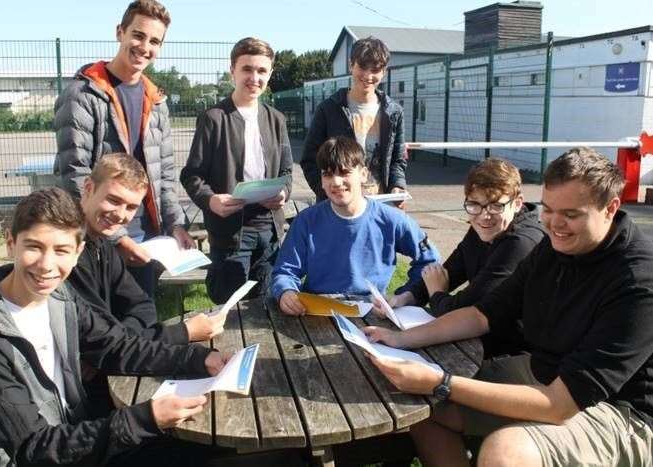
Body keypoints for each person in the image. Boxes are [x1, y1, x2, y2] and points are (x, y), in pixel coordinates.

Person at [364, 147, 653, 466]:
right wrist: (399, 340)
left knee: (506, 451)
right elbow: (481, 314)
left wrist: (441, 382)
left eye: (571, 214)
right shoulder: (555, 246)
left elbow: (559, 405)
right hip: (546, 374)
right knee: (422, 407)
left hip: (622, 412)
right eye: (548, 209)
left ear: (611, 208)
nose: (555, 224)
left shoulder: (638, 281)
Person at [0, 188, 228, 466]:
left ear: (78, 252)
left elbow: (117, 346)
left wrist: (198, 358)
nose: (46, 265)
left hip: (72, 437)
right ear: (10, 243)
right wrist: (146, 418)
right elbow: (32, 448)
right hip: (23, 458)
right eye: (34, 247)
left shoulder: (59, 296)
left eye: (61, 250)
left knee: (203, 449)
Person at [54, 0, 196, 297]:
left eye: (155, 41)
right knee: (99, 332)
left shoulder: (156, 101)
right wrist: (118, 238)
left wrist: (176, 224)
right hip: (98, 237)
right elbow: (74, 175)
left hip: (146, 239)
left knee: (141, 326)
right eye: (138, 35)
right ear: (120, 32)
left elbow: (165, 174)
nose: (145, 46)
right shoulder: (82, 95)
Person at [374, 158, 545, 358]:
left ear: (517, 204)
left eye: (495, 206)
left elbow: (462, 310)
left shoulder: (520, 243)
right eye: (474, 205)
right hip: (481, 339)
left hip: (516, 353)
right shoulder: (485, 227)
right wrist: (403, 298)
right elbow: (449, 271)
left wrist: (437, 293)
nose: (483, 216)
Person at [272, 136, 440, 316]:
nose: (336, 182)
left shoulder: (393, 220)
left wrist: (405, 297)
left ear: (363, 174)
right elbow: (285, 271)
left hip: (373, 313)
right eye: (327, 174)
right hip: (316, 313)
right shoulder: (306, 221)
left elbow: (431, 263)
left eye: (344, 172)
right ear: (321, 180)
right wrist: (286, 292)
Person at [180, 37, 293, 305]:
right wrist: (210, 200)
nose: (254, 77)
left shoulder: (276, 119)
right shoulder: (214, 118)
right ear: (232, 70)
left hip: (269, 229)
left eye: (262, 71)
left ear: (270, 74)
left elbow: (287, 171)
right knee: (228, 307)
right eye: (247, 69)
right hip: (231, 231)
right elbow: (192, 175)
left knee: (265, 305)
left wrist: (284, 194)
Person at [76, 152, 223, 344]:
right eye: (113, 200)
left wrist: (123, 338)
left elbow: (143, 306)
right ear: (88, 188)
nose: (120, 215)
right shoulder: (68, 252)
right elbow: (102, 343)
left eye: (131, 207)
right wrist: (183, 332)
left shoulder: (103, 242)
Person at [300, 36, 407, 206]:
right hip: (337, 209)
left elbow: (397, 160)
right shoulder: (328, 109)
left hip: (379, 206)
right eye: (363, 67)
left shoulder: (394, 112)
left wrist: (397, 186)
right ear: (351, 65)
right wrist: (329, 193)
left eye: (376, 70)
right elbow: (309, 160)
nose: (368, 75)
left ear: (384, 72)